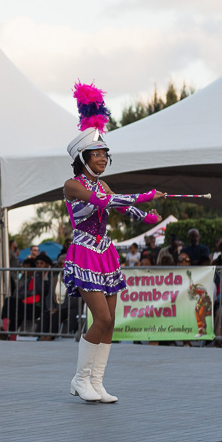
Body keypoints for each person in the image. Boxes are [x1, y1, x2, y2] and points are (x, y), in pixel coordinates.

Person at [63, 82, 163, 403]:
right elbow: (107, 202)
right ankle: (80, 379)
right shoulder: (73, 185)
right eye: (97, 154)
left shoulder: (102, 183)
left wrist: (144, 215)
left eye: (105, 154)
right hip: (85, 254)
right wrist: (142, 195)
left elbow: (119, 202)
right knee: (101, 318)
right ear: (83, 156)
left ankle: (97, 381)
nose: (103, 158)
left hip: (106, 253)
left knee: (112, 322)